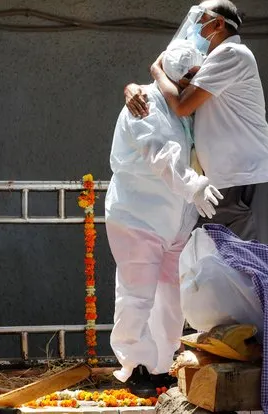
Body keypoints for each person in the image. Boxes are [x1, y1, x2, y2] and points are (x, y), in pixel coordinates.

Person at [105, 39, 223, 397]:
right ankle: (135, 366)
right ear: (171, 75)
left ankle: (161, 366)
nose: (192, 82)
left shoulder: (180, 107)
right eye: (186, 76)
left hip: (175, 218)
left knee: (171, 296)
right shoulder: (144, 106)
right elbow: (162, 157)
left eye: (195, 76)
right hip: (138, 214)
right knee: (137, 294)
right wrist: (194, 186)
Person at [124, 0, 268, 247]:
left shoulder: (231, 53)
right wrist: (133, 88)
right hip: (225, 181)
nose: (195, 27)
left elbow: (181, 105)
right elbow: (170, 97)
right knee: (217, 268)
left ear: (218, 24)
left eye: (201, 21)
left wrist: (156, 70)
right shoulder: (213, 60)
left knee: (251, 268)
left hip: (246, 178)